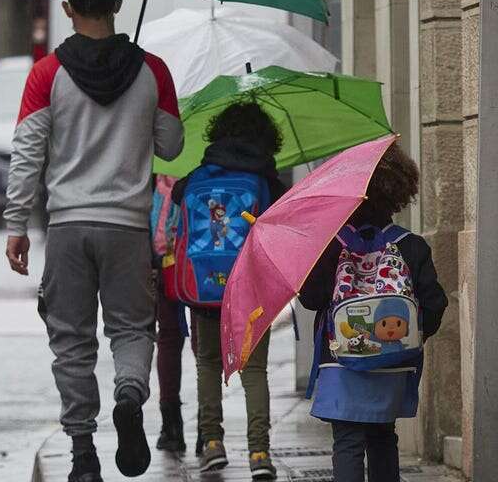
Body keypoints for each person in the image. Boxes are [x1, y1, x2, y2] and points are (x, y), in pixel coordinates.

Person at [4, 0, 184, 482]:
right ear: (118, 5)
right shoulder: (152, 70)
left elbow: (27, 154)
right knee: (132, 329)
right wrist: (145, 112)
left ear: (67, 9)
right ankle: (129, 393)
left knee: (71, 340)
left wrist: (16, 223)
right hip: (127, 226)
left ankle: (84, 454)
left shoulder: (47, 75)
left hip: (67, 226)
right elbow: (171, 147)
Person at [297, 144, 448, 482]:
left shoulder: (332, 246)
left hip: (339, 363)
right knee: (383, 436)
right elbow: (434, 303)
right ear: (398, 191)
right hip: (392, 363)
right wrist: (411, 337)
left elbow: (310, 298)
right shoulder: (411, 245)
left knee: (348, 440)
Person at [170, 101, 288, 480]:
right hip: (252, 285)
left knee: (208, 362)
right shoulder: (266, 181)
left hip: (205, 284)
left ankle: (213, 443)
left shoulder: (197, 176)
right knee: (255, 369)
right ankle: (258, 453)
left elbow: (176, 200)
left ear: (217, 135)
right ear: (265, 138)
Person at [148, 174, 188, 453]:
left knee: (169, 339)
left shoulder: (152, 172)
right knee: (204, 347)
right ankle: (210, 434)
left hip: (161, 261)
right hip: (199, 260)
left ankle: (171, 426)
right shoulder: (198, 168)